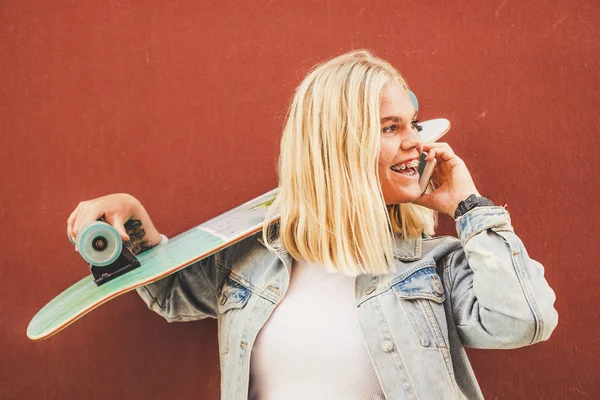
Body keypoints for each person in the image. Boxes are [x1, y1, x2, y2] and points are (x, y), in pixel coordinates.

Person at [66, 50, 558, 400]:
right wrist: (131, 221)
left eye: (414, 123)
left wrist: (469, 206)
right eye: (391, 128)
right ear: (335, 145)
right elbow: (172, 295)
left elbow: (523, 321)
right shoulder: (252, 262)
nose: (418, 142)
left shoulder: (432, 265)